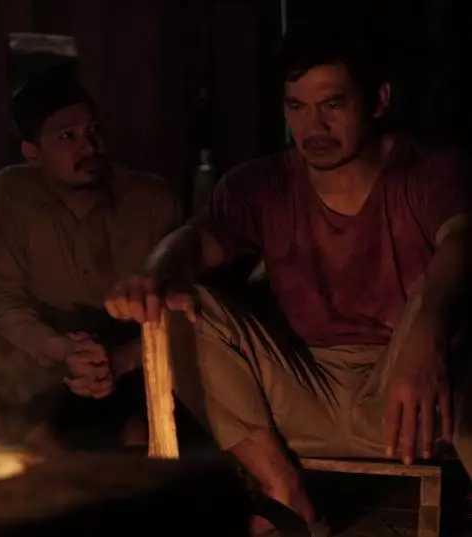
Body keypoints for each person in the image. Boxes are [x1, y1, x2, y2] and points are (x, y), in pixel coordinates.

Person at [104, 23, 472, 533]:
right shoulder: (263, 183)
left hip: (409, 395)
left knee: (447, 302)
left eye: (332, 105)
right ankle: (284, 491)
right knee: (182, 304)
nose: (313, 126)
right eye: (297, 107)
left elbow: (461, 238)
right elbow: (197, 240)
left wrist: (427, 333)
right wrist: (153, 274)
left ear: (378, 101)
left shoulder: (430, 171)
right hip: (301, 395)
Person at [0, 64, 183, 452]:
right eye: (67, 136)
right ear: (33, 153)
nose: (89, 147)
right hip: (49, 352)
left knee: (143, 436)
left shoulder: (152, 200)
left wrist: (124, 359)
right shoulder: (10, 194)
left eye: (93, 131)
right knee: (31, 436)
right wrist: (61, 349)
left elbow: (185, 307)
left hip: (137, 354)